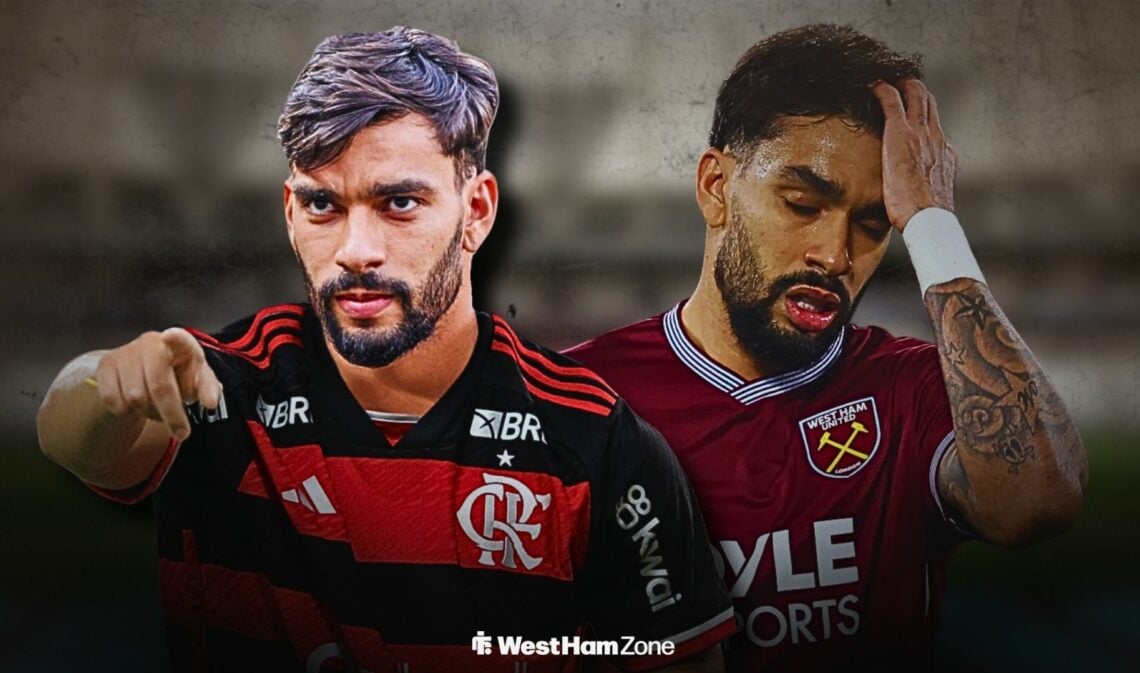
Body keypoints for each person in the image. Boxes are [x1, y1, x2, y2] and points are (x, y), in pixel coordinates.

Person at [36, 28, 734, 673]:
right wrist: (107, 380)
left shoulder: (594, 439)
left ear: (477, 212)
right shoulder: (223, 392)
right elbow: (74, 436)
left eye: (399, 203)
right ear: (289, 212)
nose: (355, 251)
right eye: (323, 205)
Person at [567, 24, 1087, 672]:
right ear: (715, 187)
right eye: (802, 203)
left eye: (875, 223)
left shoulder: (912, 387)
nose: (835, 254)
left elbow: (1039, 501)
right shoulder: (578, 397)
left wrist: (932, 222)